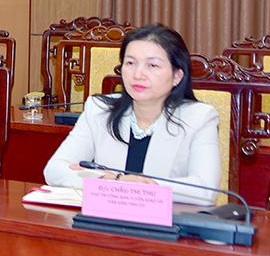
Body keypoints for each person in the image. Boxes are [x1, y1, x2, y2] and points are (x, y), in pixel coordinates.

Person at [44, 24, 220, 205]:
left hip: (167, 220)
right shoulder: (99, 109)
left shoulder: (199, 117)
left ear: (177, 76)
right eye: (130, 63)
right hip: (105, 217)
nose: (138, 74)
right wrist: (112, 181)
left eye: (152, 65)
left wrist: (142, 186)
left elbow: (206, 191)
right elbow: (54, 170)